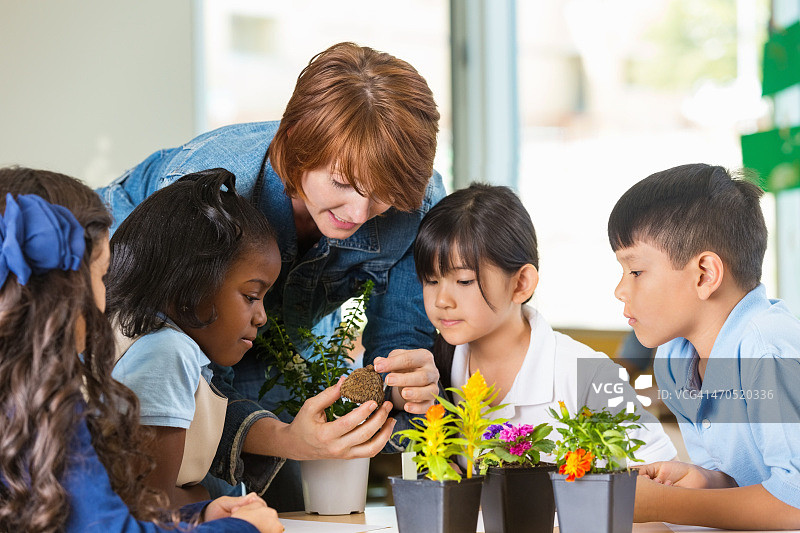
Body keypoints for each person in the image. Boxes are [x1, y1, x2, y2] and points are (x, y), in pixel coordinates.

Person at [97, 42, 443, 509]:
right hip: (146, 317)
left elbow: (395, 354)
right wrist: (284, 441)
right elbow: (192, 388)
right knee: (187, 492)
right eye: (342, 183)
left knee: (289, 496)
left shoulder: (413, 200)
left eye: (381, 196)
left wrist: (406, 385)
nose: (360, 212)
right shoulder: (212, 191)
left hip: (268, 329)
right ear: (299, 144)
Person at [0, 167, 282, 533]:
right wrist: (245, 529)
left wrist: (196, 517)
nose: (106, 298)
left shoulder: (25, 398)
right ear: (64, 293)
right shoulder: (48, 408)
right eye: (102, 277)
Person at [414, 183, 677, 468]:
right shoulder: (434, 369)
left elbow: (665, 479)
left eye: (464, 281)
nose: (442, 300)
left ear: (521, 283)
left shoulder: (590, 375)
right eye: (431, 280)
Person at [608, 163, 800, 529]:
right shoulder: (675, 358)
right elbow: (743, 483)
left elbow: (795, 503)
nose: (620, 290)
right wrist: (702, 482)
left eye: (635, 271)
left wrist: (667, 504)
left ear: (705, 275)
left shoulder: (768, 350)